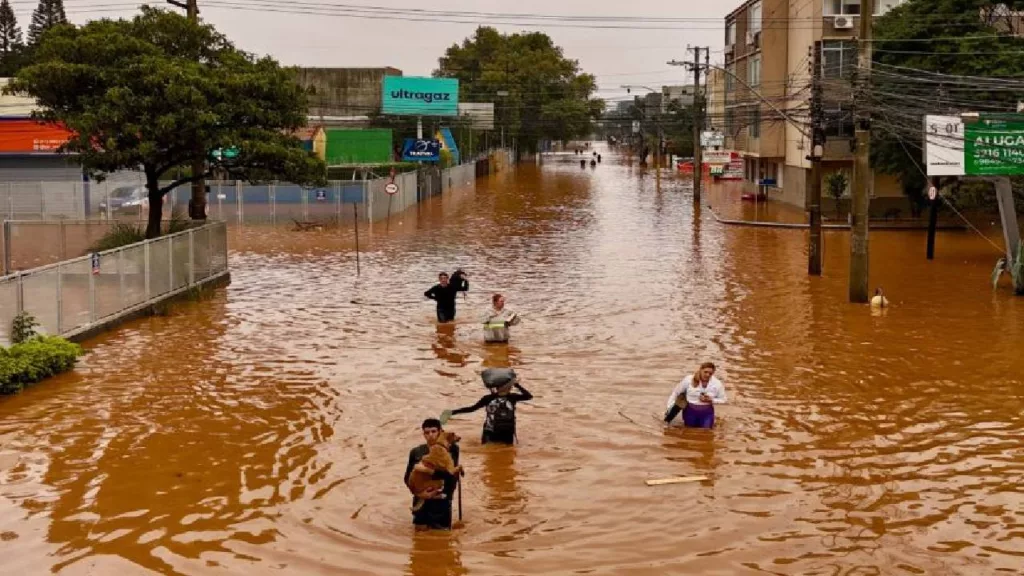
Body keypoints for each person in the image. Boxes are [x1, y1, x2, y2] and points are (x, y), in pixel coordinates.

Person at [444, 369, 533, 445]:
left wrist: (517, 385)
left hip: (507, 432)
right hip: (490, 432)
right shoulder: (488, 398)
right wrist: (452, 412)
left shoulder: (513, 397)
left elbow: (529, 396)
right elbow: (472, 408)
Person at [404, 418, 463, 531]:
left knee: (443, 540)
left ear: (440, 432)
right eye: (427, 432)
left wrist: (428, 471)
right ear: (423, 434)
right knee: (419, 541)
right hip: (421, 500)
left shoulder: (451, 450)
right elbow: (407, 478)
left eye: (433, 431)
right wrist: (420, 494)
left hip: (442, 502)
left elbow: (450, 476)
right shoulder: (416, 452)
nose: (430, 435)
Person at [664, 362, 726, 429]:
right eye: (705, 372)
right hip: (690, 412)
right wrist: (669, 407)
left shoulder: (717, 383)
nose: (708, 375)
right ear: (700, 370)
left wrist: (711, 400)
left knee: (707, 433)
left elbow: (723, 399)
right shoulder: (688, 380)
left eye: (710, 373)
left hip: (707, 413)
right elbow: (676, 393)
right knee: (689, 432)